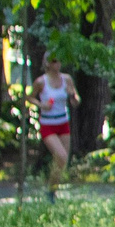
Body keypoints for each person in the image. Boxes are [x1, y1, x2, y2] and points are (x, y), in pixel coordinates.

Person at [34, 55, 79, 198]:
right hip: (48, 124)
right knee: (61, 156)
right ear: (47, 63)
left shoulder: (67, 79)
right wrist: (42, 105)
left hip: (63, 122)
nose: (57, 63)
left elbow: (76, 101)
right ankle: (50, 191)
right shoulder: (41, 82)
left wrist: (73, 96)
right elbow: (28, 97)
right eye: (54, 61)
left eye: (59, 60)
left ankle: (51, 192)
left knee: (62, 161)